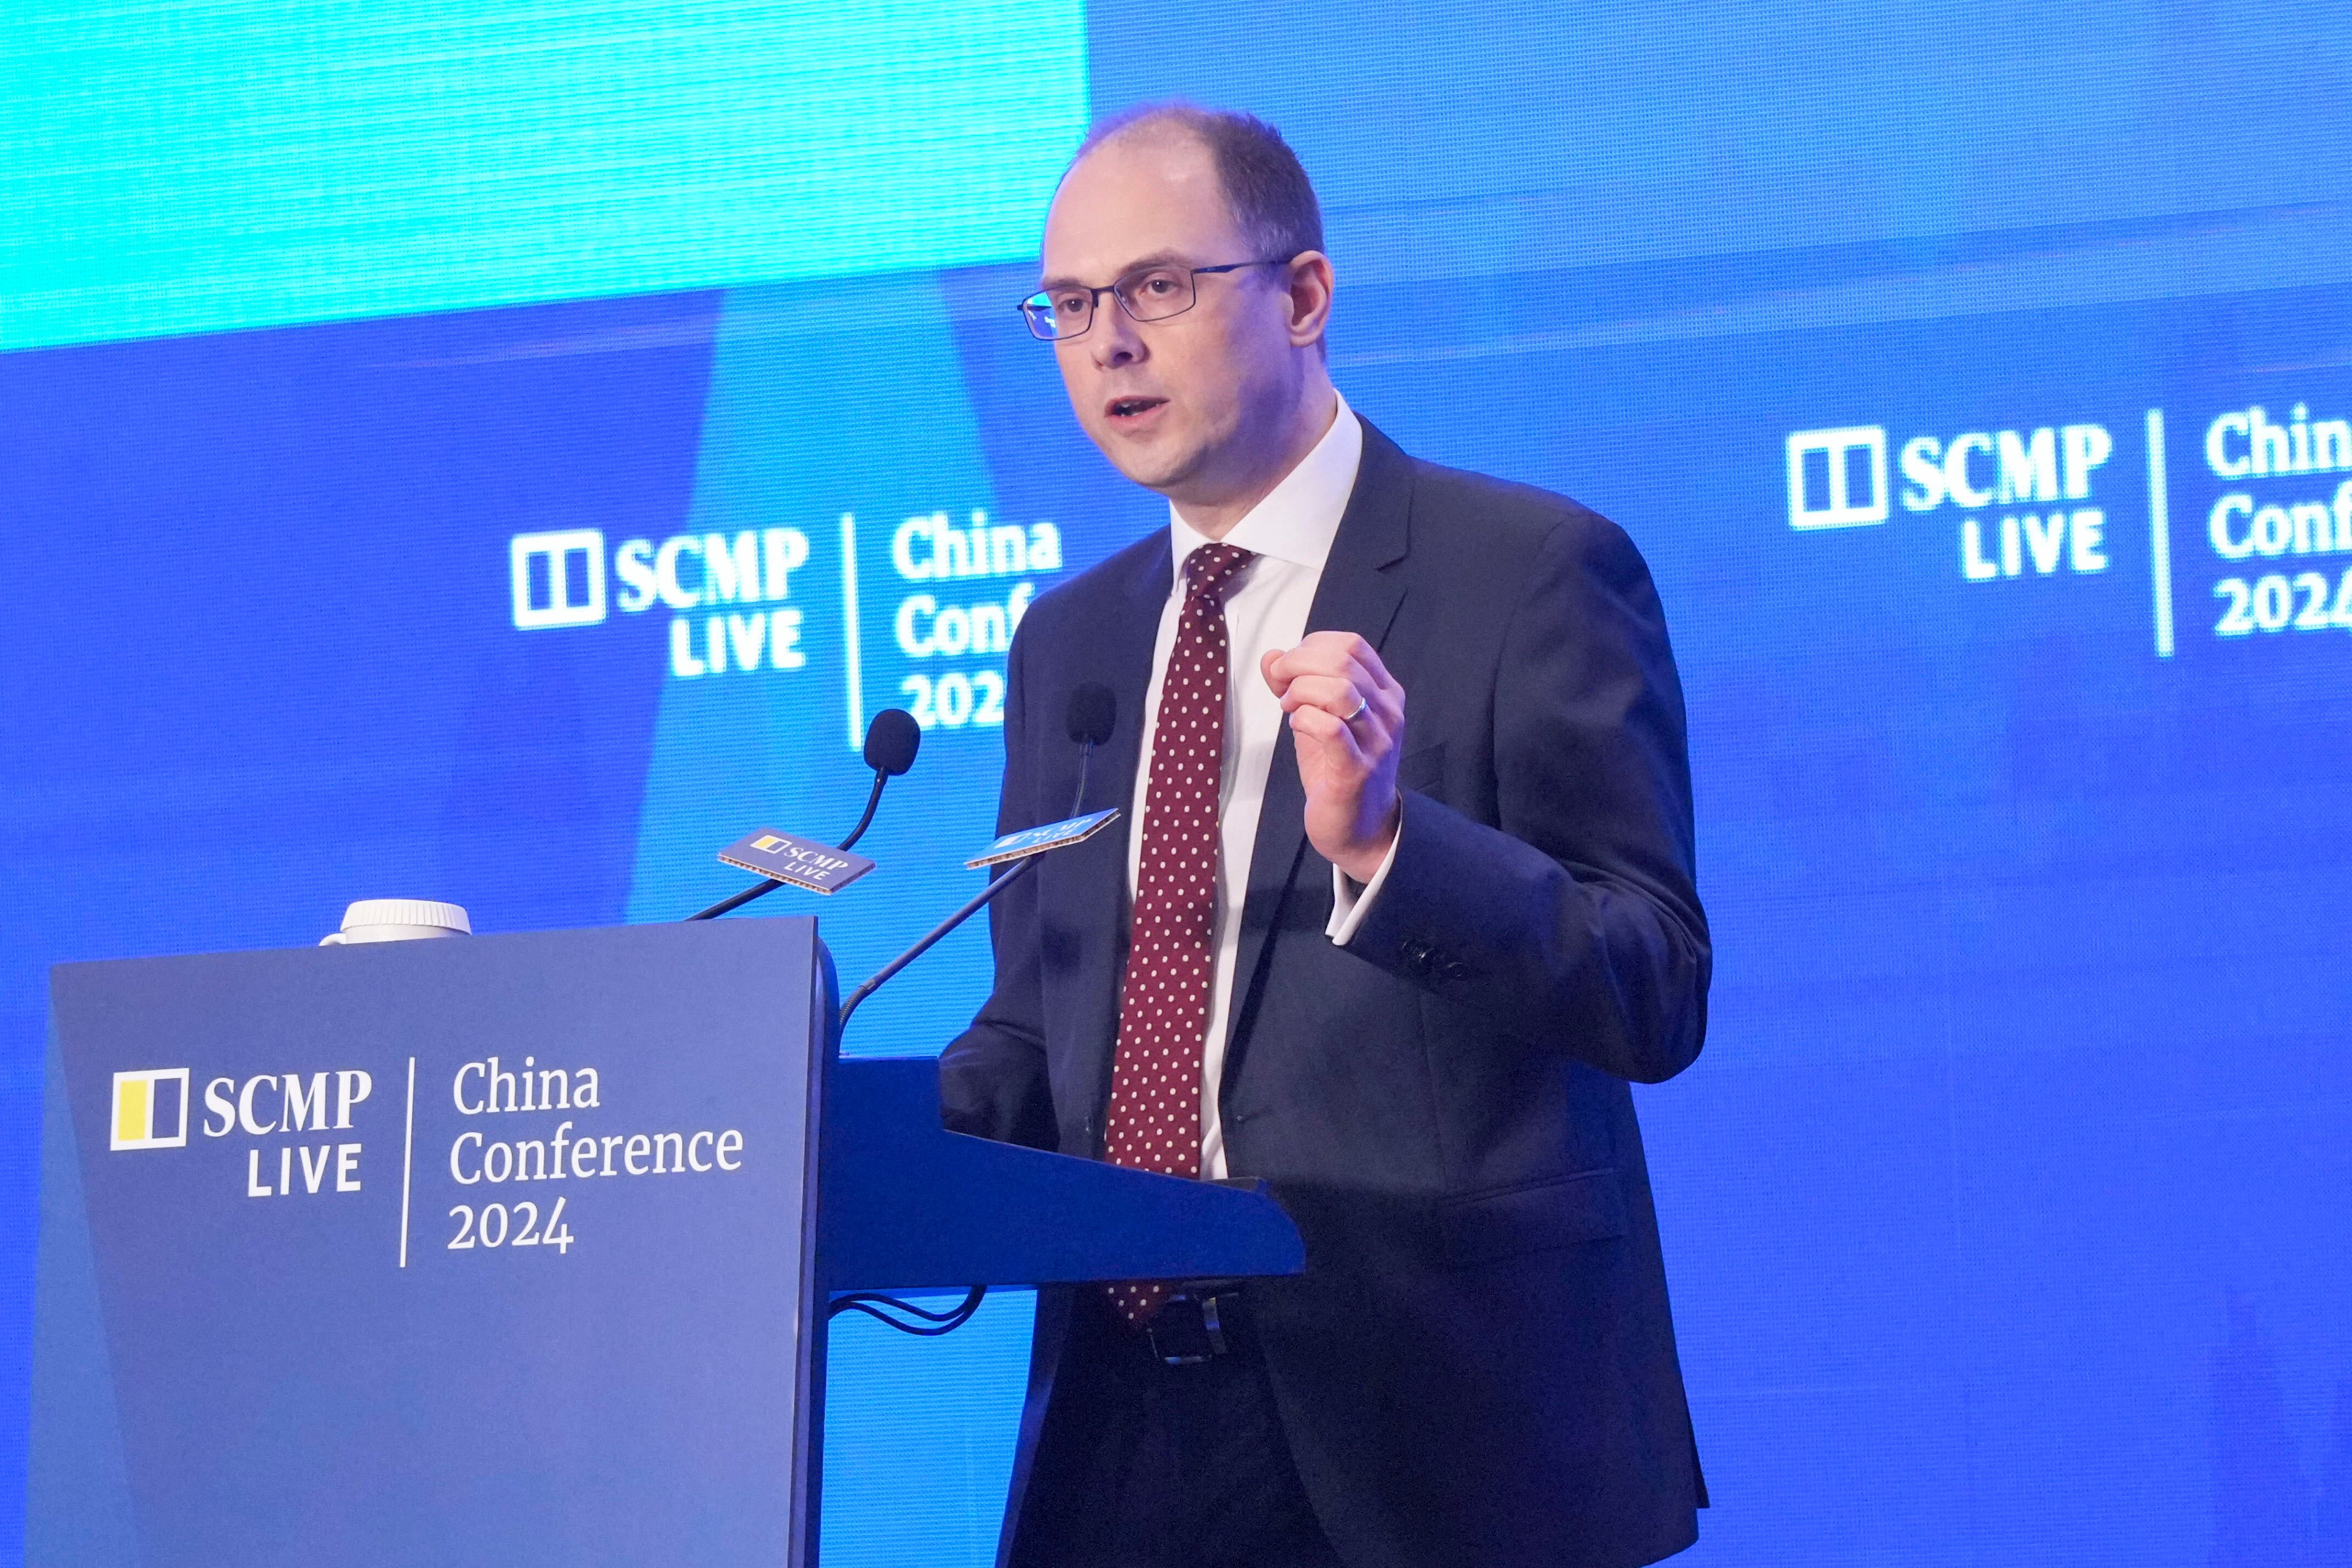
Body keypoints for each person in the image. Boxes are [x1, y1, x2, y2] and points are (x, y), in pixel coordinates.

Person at [940, 102, 1710, 1568]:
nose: (1108, 342)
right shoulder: (1072, 641)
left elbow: (1654, 981)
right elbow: (1045, 1031)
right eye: (1072, 304)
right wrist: (812, 1132)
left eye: (1159, 288)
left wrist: (1387, 852)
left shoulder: (1530, 572)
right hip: (1124, 1425)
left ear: (1301, 296)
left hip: (1441, 1433)